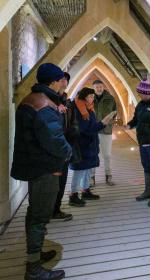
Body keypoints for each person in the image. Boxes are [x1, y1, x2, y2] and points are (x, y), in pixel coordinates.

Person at [11, 63, 72, 280]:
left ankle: (35, 255)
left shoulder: (32, 100)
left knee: (34, 213)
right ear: (53, 81)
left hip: (35, 167)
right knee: (39, 217)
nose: (63, 83)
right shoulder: (45, 106)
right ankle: (33, 268)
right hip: (45, 169)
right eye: (60, 80)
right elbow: (55, 140)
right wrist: (69, 153)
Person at [69, 87, 115, 207]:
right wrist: (102, 123)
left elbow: (91, 125)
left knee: (88, 169)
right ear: (84, 97)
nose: (92, 99)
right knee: (79, 170)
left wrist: (99, 124)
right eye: (90, 97)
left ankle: (85, 190)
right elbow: (85, 129)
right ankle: (73, 195)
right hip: (82, 144)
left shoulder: (88, 108)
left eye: (93, 97)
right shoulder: (78, 109)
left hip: (90, 144)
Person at [125, 79, 150, 207]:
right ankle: (148, 191)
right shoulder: (140, 104)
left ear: (147, 93)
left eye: (140, 94)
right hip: (142, 141)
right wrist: (130, 125)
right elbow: (136, 119)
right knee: (146, 166)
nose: (139, 96)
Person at [52, 72, 74, 221]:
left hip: (64, 146)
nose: (64, 83)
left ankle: (56, 209)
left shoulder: (65, 100)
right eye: (61, 80)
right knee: (53, 182)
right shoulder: (49, 101)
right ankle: (50, 211)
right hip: (54, 148)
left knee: (61, 180)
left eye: (66, 80)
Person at [91, 79, 117, 186]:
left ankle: (108, 176)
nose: (99, 88)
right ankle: (91, 178)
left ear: (103, 87)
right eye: (97, 87)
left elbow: (115, 112)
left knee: (107, 155)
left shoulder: (110, 98)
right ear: (94, 88)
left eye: (100, 86)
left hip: (106, 130)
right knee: (93, 154)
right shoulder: (90, 98)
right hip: (93, 131)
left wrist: (109, 122)